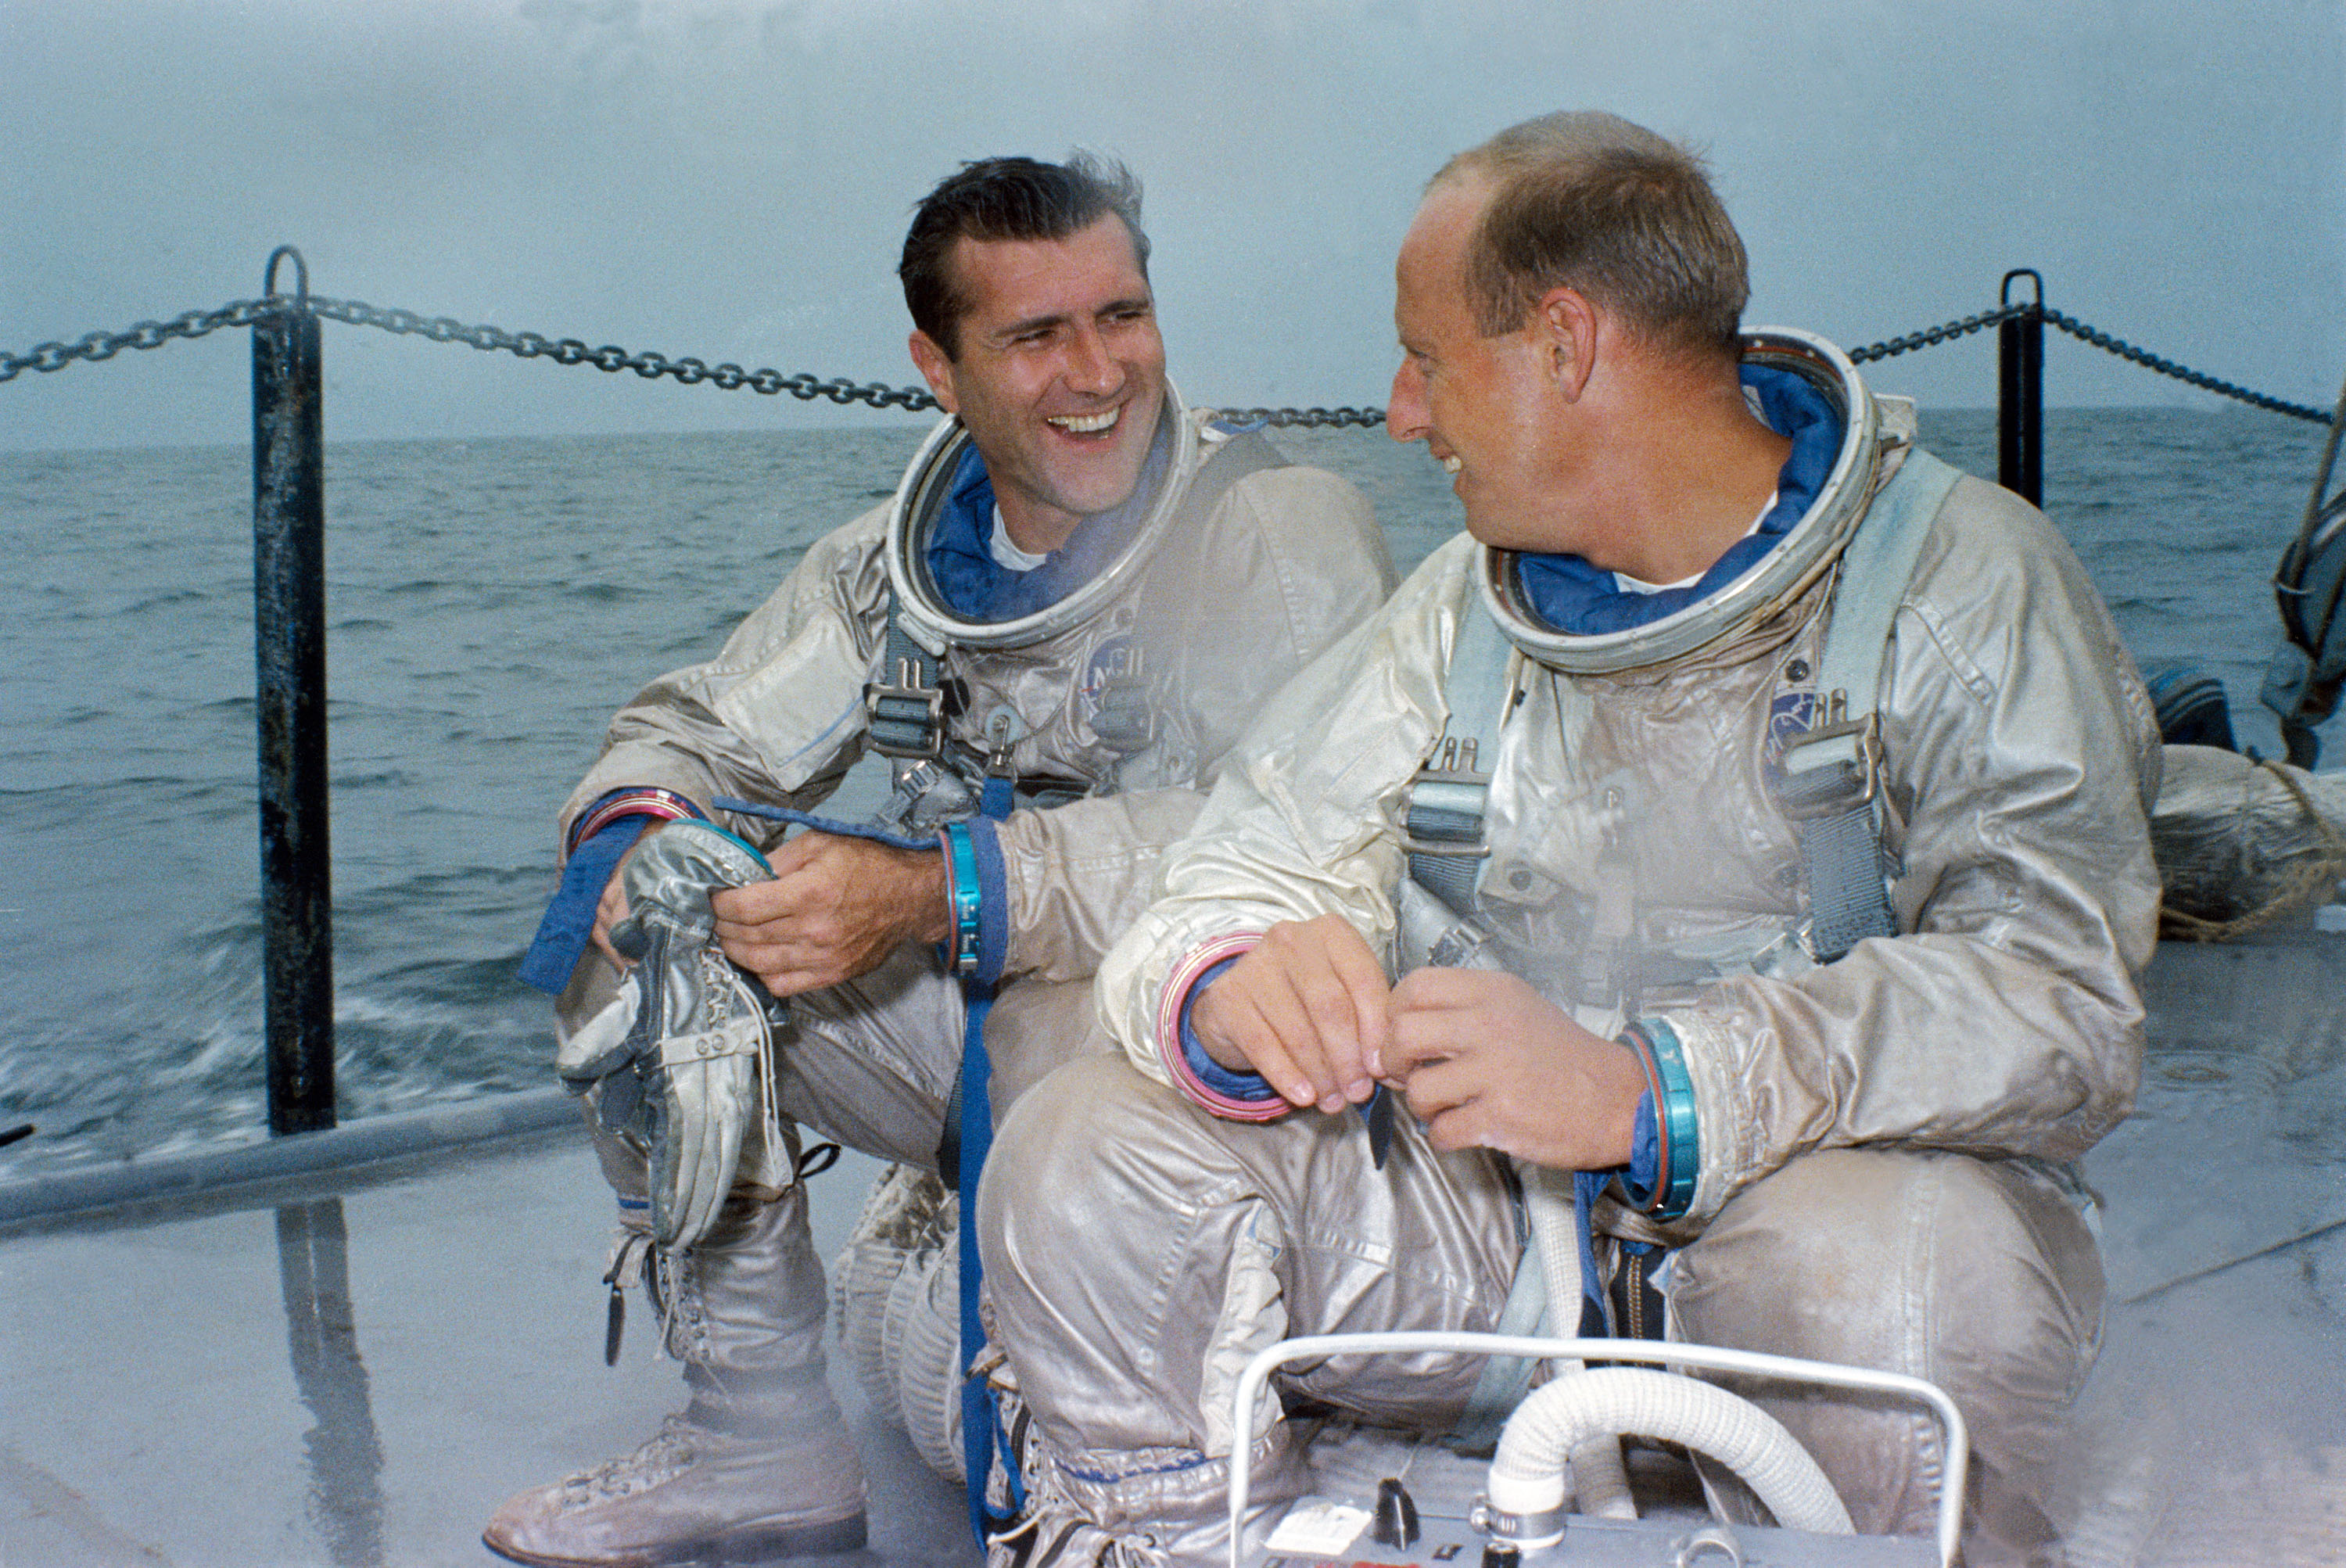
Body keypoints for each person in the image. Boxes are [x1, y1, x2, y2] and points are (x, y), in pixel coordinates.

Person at [979, 112, 2158, 1568]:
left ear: (1564, 345)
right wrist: (1228, 978)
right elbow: (1246, 855)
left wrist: (1648, 1091)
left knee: (1897, 1280)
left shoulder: (1966, 587)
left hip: (1809, 1232)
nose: (1404, 412)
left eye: (1427, 358)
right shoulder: (1461, 613)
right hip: (1500, 1245)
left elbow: (2059, 997)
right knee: (1083, 1150)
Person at [485, 153, 1391, 1568]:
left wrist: (931, 892)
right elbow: (688, 730)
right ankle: (758, 1441)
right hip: (986, 1050)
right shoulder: (891, 576)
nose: (1099, 371)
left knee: (1042, 1129)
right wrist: (632, 839)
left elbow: (1298, 837)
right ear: (939, 365)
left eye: (1124, 315)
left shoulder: (1277, 533)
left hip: (1220, 1065)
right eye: (1036, 335)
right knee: (645, 941)